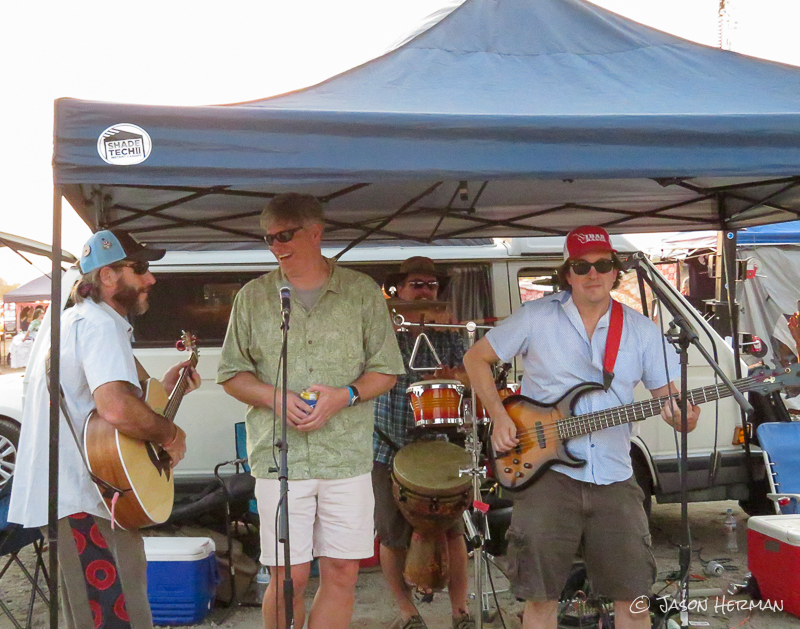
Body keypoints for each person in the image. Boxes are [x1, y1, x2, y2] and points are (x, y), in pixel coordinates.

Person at [463, 225, 701, 629]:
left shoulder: (641, 330)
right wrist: (500, 415)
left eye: (602, 265)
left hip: (614, 474)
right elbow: (475, 359)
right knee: (540, 598)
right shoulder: (537, 316)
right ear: (567, 273)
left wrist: (683, 418)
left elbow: (668, 398)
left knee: (634, 596)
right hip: (548, 477)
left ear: (615, 271)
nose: (593, 273)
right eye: (581, 266)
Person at [217, 193, 405, 629]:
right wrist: (274, 397)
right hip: (279, 457)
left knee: (342, 572)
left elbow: (387, 370)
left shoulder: (360, 292)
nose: (277, 245)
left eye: (286, 235)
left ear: (316, 232)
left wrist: (346, 395)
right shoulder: (253, 296)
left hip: (347, 456)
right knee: (288, 577)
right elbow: (230, 373)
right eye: (268, 238)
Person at [9, 229, 201, 629]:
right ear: (108, 276)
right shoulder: (98, 325)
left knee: (105, 612)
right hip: (83, 496)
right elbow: (114, 408)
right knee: (113, 616)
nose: (150, 279)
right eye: (140, 269)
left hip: (88, 494)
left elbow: (100, 402)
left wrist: (164, 388)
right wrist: (169, 434)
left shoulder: (82, 320)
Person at [374, 256, 474, 629]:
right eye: (416, 283)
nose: (424, 290)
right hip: (387, 443)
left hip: (437, 444)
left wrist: (454, 375)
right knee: (391, 534)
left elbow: (469, 378)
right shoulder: (381, 327)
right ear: (398, 289)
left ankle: (460, 611)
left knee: (453, 531)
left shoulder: (449, 331)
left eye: (431, 285)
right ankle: (407, 612)